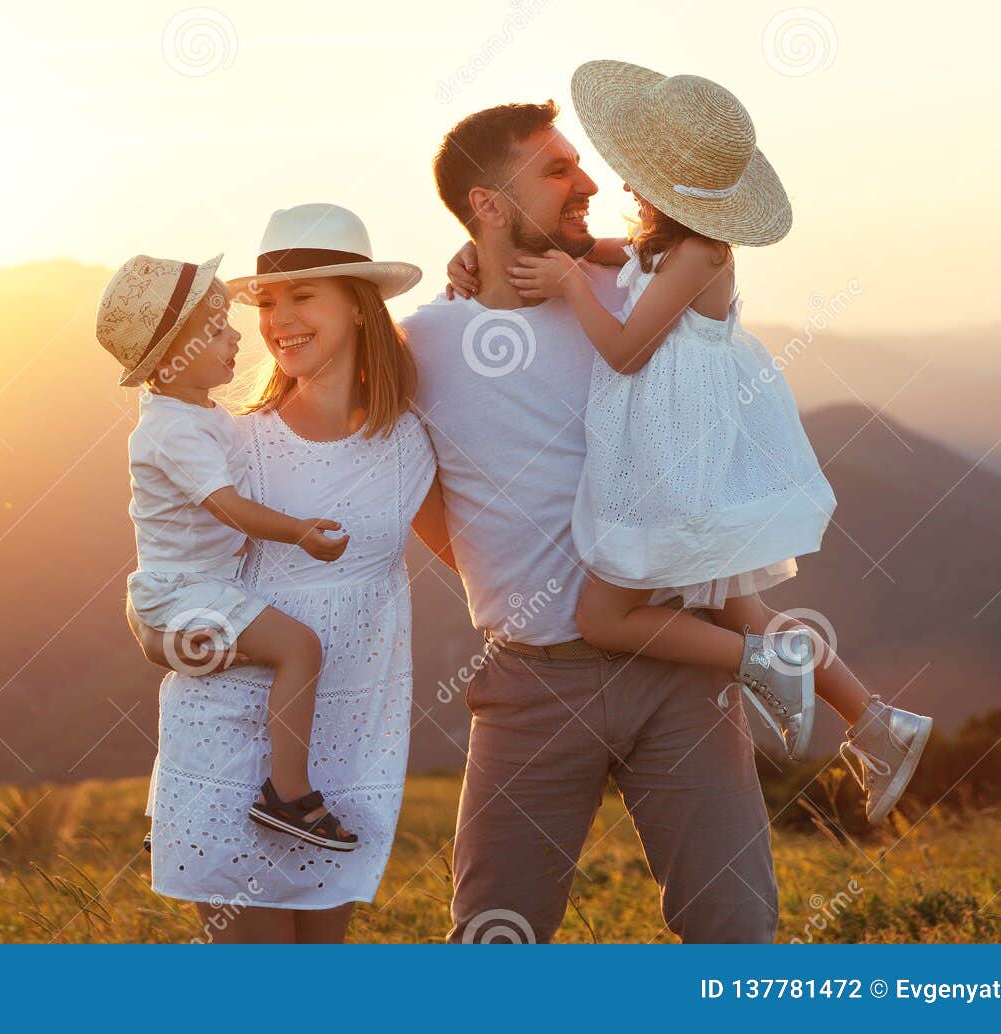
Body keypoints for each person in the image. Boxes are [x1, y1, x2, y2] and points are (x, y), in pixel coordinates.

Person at [448, 62, 932, 824]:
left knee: (610, 617)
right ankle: (877, 722)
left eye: (629, 169)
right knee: (743, 604)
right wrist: (480, 254)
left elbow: (627, 351)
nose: (615, 184)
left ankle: (768, 668)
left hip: (671, 468)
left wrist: (572, 287)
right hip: (679, 457)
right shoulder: (661, 245)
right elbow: (589, 251)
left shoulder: (701, 252)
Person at [406, 98, 779, 942]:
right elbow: (402, 490)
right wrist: (497, 578)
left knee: (736, 933)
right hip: (533, 684)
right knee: (497, 942)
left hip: (679, 668)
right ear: (487, 206)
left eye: (579, 164)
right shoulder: (426, 342)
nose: (591, 183)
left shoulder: (636, 287)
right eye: (557, 169)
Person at [127, 204, 450, 942]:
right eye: (268, 302)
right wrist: (150, 628)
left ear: (359, 307)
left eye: (303, 296)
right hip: (234, 746)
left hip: (349, 736)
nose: (278, 320)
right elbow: (171, 570)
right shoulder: (239, 447)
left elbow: (472, 555)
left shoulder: (410, 441)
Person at [98, 252, 360, 850]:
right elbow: (227, 506)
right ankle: (289, 795)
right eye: (216, 328)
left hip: (188, 591)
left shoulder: (197, 414)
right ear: (169, 359)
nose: (237, 333)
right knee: (300, 648)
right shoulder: (174, 430)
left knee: (224, 679)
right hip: (184, 593)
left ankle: (186, 805)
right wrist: (297, 531)